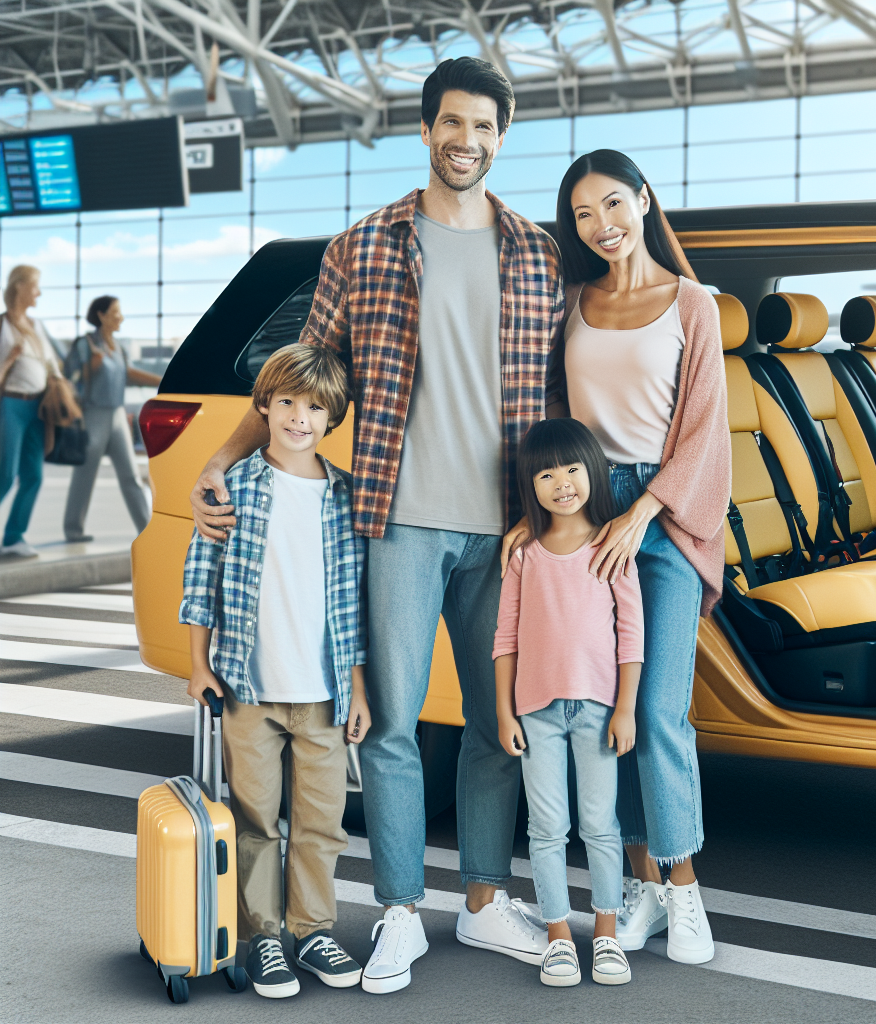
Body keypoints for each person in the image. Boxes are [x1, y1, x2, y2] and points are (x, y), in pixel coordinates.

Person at [187, 57, 564, 993]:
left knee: (496, 722)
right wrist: (220, 460)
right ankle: (399, 910)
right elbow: (298, 370)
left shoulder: (540, 252)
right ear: (425, 127)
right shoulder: (363, 246)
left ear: (502, 135)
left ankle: (482, 903)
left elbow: (566, 389)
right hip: (396, 517)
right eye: (449, 123)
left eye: (482, 126)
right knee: (391, 726)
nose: (464, 141)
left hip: (508, 529)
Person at [504, 149, 730, 964]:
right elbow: (553, 421)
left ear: (643, 199)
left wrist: (643, 511)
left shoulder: (692, 303)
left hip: (662, 517)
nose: (601, 225)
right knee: (607, 718)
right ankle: (642, 888)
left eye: (612, 204)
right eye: (583, 215)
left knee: (661, 711)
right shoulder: (571, 303)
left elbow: (706, 427)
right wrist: (544, 513)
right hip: (585, 518)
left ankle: (686, 892)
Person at [179, 343, 371, 999]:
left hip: (323, 696)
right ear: (263, 407)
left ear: (332, 417)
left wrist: (359, 690)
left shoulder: (346, 497)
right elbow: (199, 579)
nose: (298, 417)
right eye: (286, 402)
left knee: (322, 825)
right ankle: (263, 938)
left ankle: (313, 930)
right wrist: (197, 664)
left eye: (314, 407)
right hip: (247, 691)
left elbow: (354, 606)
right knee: (256, 821)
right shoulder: (232, 489)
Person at [494, 419, 642, 987]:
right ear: (531, 484)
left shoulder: (611, 545)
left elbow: (632, 634)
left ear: (593, 472)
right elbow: (505, 637)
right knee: (547, 826)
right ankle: (559, 937)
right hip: (536, 711)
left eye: (573, 468)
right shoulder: (524, 554)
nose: (562, 483)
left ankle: (605, 934)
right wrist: (507, 712)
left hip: (600, 710)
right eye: (546, 473)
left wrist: (625, 707)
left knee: (602, 826)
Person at [62, 295, 161, 543]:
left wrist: (163, 381)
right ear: (102, 315)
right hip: (93, 414)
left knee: (131, 475)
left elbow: (128, 373)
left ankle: (147, 529)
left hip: (116, 414)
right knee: (85, 474)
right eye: (115, 312)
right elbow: (68, 377)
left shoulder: (118, 346)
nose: (121, 317)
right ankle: (73, 530)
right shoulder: (85, 344)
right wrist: (93, 366)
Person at [0, 265, 65, 558]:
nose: (39, 293)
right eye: (35, 286)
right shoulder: (3, 326)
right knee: (5, 474)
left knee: (33, 476)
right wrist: (10, 359)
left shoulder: (36, 326)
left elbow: (52, 364)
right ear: (20, 287)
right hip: (11, 405)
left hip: (38, 409)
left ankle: (14, 536)